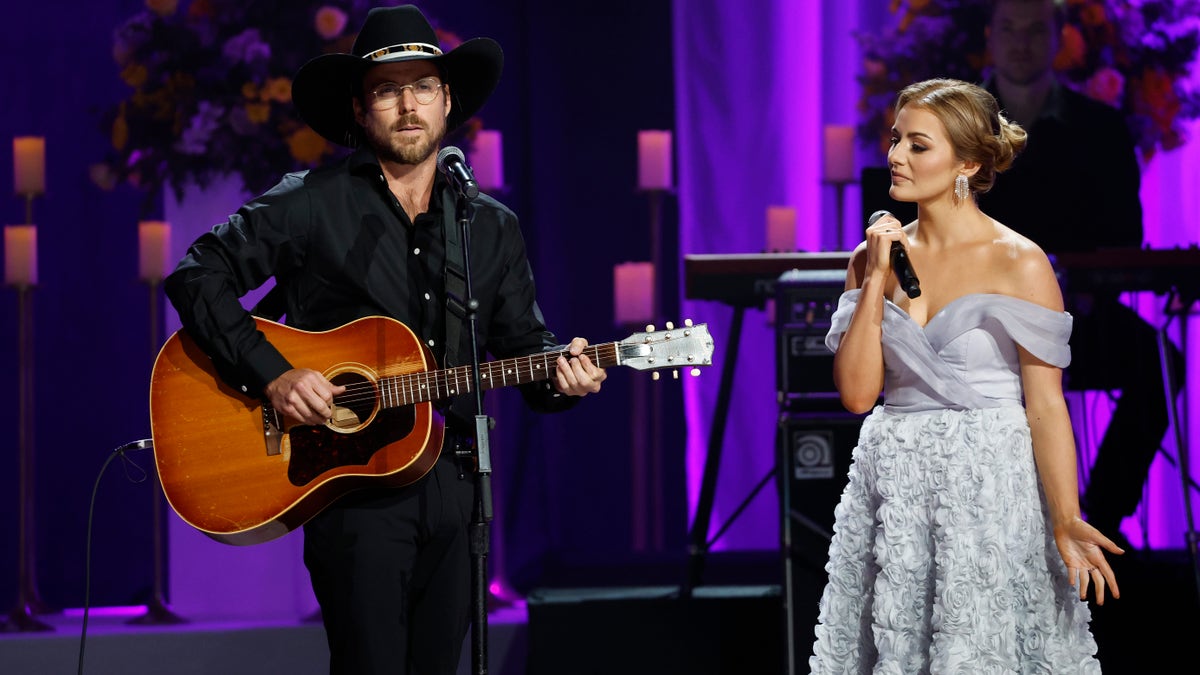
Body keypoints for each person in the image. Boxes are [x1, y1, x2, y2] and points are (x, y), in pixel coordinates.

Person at [163, 6, 607, 674]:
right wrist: (275, 373)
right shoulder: (312, 201)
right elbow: (198, 275)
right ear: (360, 107)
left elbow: (525, 343)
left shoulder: (487, 225)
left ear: (448, 99)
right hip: (351, 491)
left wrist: (564, 375)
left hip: (457, 484)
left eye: (423, 85)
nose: (408, 104)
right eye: (387, 89)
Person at [808, 78, 1124, 672]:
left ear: (968, 162)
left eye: (918, 145)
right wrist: (876, 278)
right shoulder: (870, 257)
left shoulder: (1019, 261)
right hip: (895, 485)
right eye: (896, 139)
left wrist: (1064, 515)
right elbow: (855, 396)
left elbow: (1047, 406)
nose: (895, 157)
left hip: (987, 485)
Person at [979, 0, 1182, 548]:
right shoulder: (960, 127)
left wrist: (1078, 293)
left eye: (1035, 30)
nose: (1021, 43)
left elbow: (1124, 231)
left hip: (1080, 312)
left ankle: (1101, 519)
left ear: (1059, 38)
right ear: (990, 36)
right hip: (981, 323)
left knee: (1161, 365)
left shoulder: (1100, 127)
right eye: (1009, 30)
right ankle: (1001, 534)